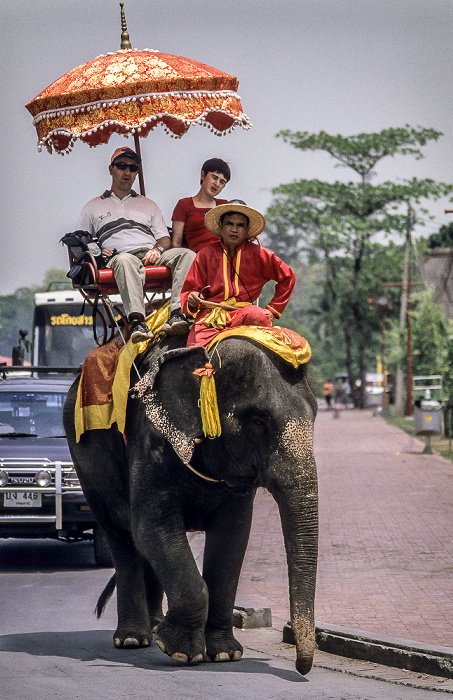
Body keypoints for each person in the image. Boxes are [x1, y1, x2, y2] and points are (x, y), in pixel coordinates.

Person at [76, 147, 196, 343]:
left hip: (150, 253)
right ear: (111, 169)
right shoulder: (93, 206)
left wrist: (156, 250)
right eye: (122, 166)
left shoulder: (148, 204)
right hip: (119, 256)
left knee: (187, 255)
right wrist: (96, 250)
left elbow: (165, 239)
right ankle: (137, 321)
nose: (127, 172)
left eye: (132, 168)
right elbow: (81, 239)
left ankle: (178, 312)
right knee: (125, 260)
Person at [180, 202, 296, 348]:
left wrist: (273, 310)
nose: (234, 230)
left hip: (245, 313)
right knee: (194, 356)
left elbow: (288, 277)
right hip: (211, 317)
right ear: (221, 226)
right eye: (229, 224)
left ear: (247, 230)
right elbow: (190, 290)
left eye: (240, 225)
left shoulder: (260, 254)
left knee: (261, 316)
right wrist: (192, 299)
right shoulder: (205, 254)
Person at [171, 158, 230, 252]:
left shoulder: (224, 205)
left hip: (225, 255)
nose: (217, 184)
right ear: (203, 175)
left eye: (222, 182)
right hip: (199, 257)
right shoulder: (184, 204)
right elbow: (176, 243)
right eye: (214, 177)